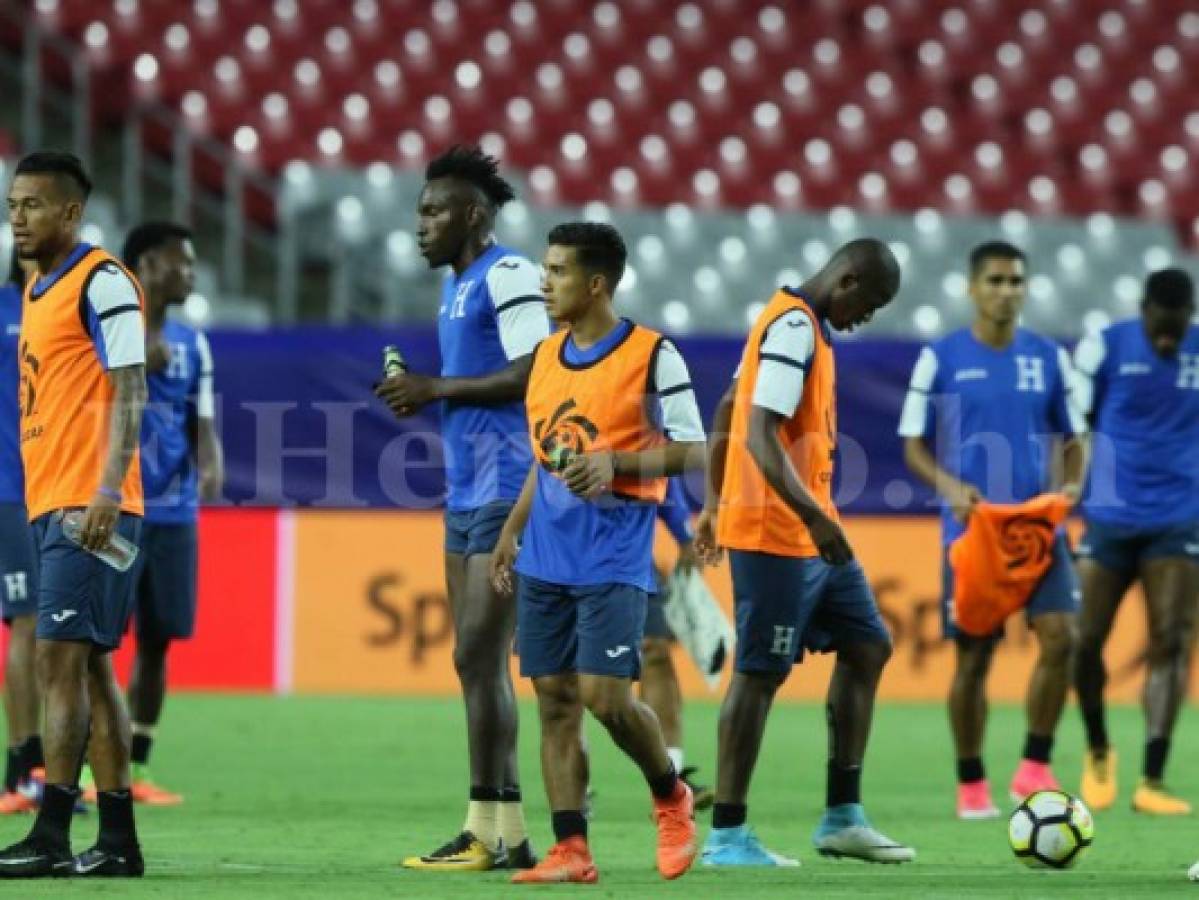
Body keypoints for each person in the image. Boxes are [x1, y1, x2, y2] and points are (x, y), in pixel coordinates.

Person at [491, 221, 705, 884]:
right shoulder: (547, 359)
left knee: (607, 699)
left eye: (555, 271)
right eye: (543, 268)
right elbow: (543, 455)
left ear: (595, 284)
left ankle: (670, 795)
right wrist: (512, 528)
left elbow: (698, 448)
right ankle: (571, 848)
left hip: (612, 554)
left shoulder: (651, 354)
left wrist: (615, 463)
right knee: (554, 700)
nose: (542, 281)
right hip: (545, 556)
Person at [696, 238, 914, 866]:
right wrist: (815, 518)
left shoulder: (792, 321)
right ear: (846, 279)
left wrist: (712, 502)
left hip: (803, 534)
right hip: (778, 533)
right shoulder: (794, 329)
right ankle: (728, 836)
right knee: (760, 673)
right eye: (867, 304)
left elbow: (728, 408)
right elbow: (760, 433)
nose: (864, 318)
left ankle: (843, 816)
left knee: (869, 644)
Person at [375, 145, 548, 871]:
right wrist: (424, 391)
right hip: (467, 491)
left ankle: (486, 828)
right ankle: (504, 835)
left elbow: (537, 371)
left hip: (509, 491)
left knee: (476, 654)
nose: (419, 225)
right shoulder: (455, 286)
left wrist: (436, 388)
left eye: (432, 210)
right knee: (478, 666)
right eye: (419, 210)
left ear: (472, 214)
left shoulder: (505, 274)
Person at [898, 241, 1088, 820]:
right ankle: (971, 781)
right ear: (972, 288)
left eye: (1016, 281)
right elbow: (912, 445)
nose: (1008, 291)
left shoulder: (1050, 358)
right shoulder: (941, 357)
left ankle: (1034, 766)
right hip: (973, 533)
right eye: (997, 281)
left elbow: (1075, 438)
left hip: (1036, 526)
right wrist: (951, 488)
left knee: (1062, 638)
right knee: (975, 659)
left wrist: (1072, 487)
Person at [0, 150, 147, 877]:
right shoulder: (36, 290)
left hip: (88, 505)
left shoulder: (104, 280)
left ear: (70, 211)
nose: (16, 216)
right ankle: (117, 841)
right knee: (90, 671)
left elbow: (131, 384)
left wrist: (108, 490)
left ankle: (52, 833)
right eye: (12, 204)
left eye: (31, 204)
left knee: (61, 664)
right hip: (51, 502)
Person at [1072, 268, 1199, 815]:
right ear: (1144, 309)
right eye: (1160, 327)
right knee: (1083, 640)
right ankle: (1099, 750)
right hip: (1110, 516)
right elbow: (1078, 422)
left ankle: (1152, 777)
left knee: (1171, 639)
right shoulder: (1105, 345)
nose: (1168, 338)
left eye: (1179, 327)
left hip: (1179, 517)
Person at [119, 221, 222, 805]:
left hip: (175, 513)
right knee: (94, 643)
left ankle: (135, 769)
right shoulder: (109, 332)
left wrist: (211, 462)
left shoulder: (192, 343)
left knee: (159, 641)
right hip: (117, 509)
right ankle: (85, 771)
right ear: (145, 265)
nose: (190, 273)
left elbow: (201, 422)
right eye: (179, 263)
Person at [0, 252, 44, 815]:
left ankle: (39, 770)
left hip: (54, 487)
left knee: (52, 631)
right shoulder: (6, 310)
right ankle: (19, 767)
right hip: (8, 490)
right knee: (28, 620)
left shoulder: (60, 309)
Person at [642, 477, 714, 809]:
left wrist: (684, 536)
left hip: (628, 549)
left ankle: (671, 778)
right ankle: (572, 787)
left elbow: (658, 464)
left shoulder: (647, 427)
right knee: (563, 680)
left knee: (655, 650)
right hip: (555, 548)